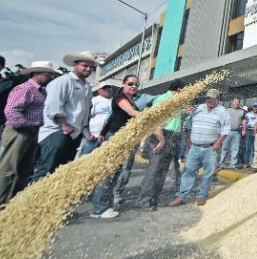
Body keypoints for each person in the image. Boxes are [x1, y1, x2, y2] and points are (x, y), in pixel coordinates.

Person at [91, 75, 164, 218]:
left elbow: (113, 117)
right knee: (109, 172)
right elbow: (130, 113)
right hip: (116, 138)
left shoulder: (131, 100)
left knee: (115, 172)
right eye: (130, 83)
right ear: (123, 84)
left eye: (136, 84)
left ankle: (105, 205)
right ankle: (99, 209)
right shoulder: (120, 98)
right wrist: (148, 117)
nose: (134, 86)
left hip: (123, 139)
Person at [0, 61, 58, 214]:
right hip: (19, 131)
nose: (50, 77)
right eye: (48, 74)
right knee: (8, 168)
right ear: (37, 74)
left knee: (24, 169)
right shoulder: (24, 88)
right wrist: (26, 126)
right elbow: (12, 111)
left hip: (32, 130)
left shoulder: (42, 91)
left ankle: (13, 201)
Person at [30, 52, 95, 182]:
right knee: (46, 170)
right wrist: (64, 125)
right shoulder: (63, 81)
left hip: (74, 134)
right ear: (75, 65)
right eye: (85, 65)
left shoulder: (87, 87)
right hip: (57, 131)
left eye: (91, 67)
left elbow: (84, 113)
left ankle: (49, 200)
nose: (88, 69)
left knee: (60, 172)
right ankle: (30, 200)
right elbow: (53, 106)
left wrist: (86, 132)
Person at [168, 88, 229, 207]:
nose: (209, 100)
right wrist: (187, 140)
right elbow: (187, 124)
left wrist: (218, 143)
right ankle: (181, 196)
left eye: (212, 98)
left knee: (208, 173)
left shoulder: (222, 111)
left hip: (210, 148)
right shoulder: (199, 108)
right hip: (194, 147)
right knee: (188, 171)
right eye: (207, 98)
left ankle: (202, 195)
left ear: (217, 99)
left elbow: (225, 129)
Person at [137, 79, 186, 211]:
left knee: (162, 171)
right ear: (178, 90)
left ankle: (154, 199)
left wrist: (186, 112)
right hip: (162, 136)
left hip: (173, 137)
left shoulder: (176, 102)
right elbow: (154, 120)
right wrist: (161, 139)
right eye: (184, 91)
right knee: (154, 170)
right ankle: (145, 201)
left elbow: (175, 119)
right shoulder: (163, 99)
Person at [79, 82, 115, 157]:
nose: (107, 90)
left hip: (109, 137)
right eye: (105, 88)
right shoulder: (94, 100)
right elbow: (84, 118)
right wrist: (87, 134)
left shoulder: (115, 101)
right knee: (86, 160)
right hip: (93, 137)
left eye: (109, 87)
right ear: (99, 90)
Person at [220, 98, 246, 170]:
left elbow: (244, 121)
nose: (237, 103)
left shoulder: (242, 111)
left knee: (235, 149)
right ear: (232, 102)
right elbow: (223, 119)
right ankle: (222, 164)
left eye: (238, 101)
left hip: (237, 132)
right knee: (225, 148)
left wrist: (244, 129)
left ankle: (233, 164)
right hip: (227, 131)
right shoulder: (228, 110)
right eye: (235, 101)